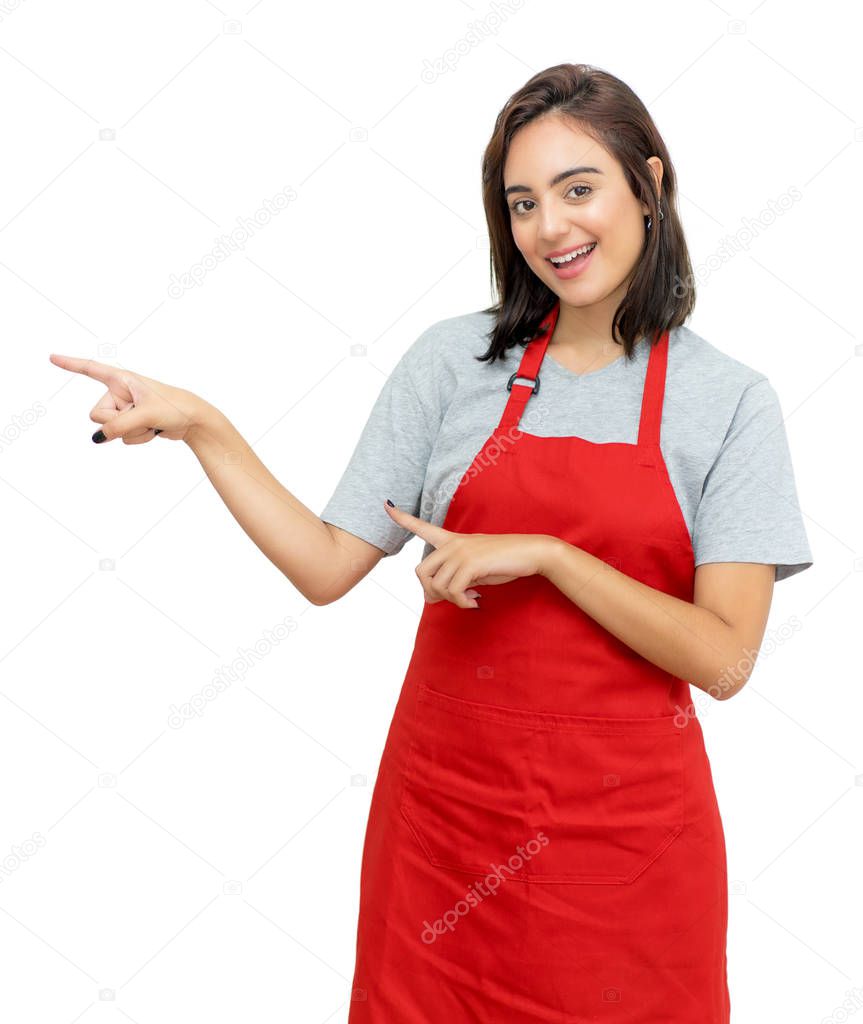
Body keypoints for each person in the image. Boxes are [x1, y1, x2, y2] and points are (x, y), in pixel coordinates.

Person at [50, 62, 813, 1023]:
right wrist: (203, 425)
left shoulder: (727, 401)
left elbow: (726, 657)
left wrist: (549, 553)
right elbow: (328, 567)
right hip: (446, 824)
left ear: (649, 186)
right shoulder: (455, 363)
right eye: (522, 202)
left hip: (628, 848)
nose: (551, 228)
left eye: (580, 190)